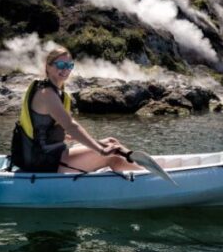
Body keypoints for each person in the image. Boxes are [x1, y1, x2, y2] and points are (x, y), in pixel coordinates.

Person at [11, 47, 141, 173]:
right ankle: (146, 179)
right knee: (113, 156)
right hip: (43, 160)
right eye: (61, 65)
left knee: (111, 142)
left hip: (53, 154)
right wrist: (101, 151)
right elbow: (71, 125)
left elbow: (45, 128)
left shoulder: (57, 92)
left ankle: (141, 171)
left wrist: (63, 135)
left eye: (69, 66)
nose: (65, 69)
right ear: (48, 66)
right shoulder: (46, 94)